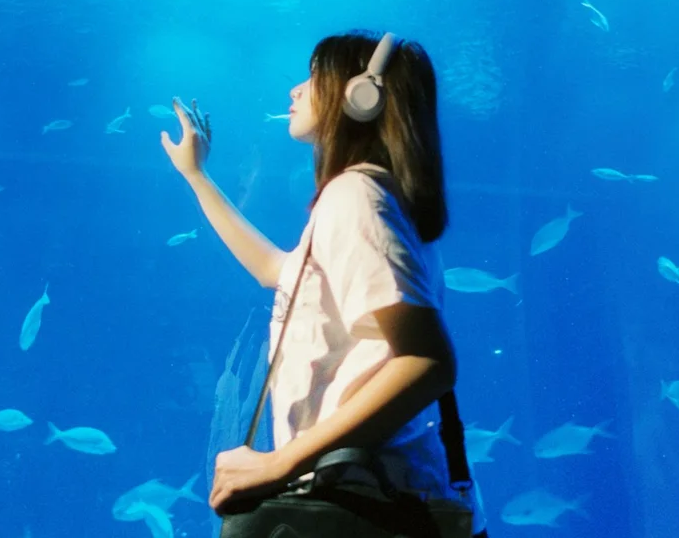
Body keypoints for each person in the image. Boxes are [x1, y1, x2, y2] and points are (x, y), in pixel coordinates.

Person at [161, 30, 486, 537]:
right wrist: (198, 176)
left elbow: (428, 361)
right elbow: (275, 269)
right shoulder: (365, 200)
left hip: (368, 504)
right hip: (373, 495)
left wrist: (279, 463)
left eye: (314, 77)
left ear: (362, 95)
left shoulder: (357, 199)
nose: (295, 90)